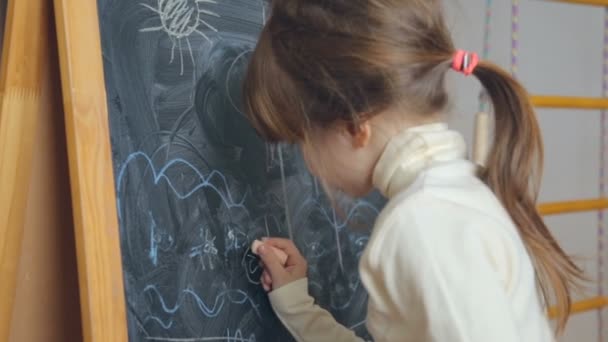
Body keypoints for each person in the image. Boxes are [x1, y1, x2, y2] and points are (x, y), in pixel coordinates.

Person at [242, 1, 584, 341]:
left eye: (303, 139)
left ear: (354, 125)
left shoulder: (423, 223)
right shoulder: (452, 196)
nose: (307, 161)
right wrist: (296, 306)